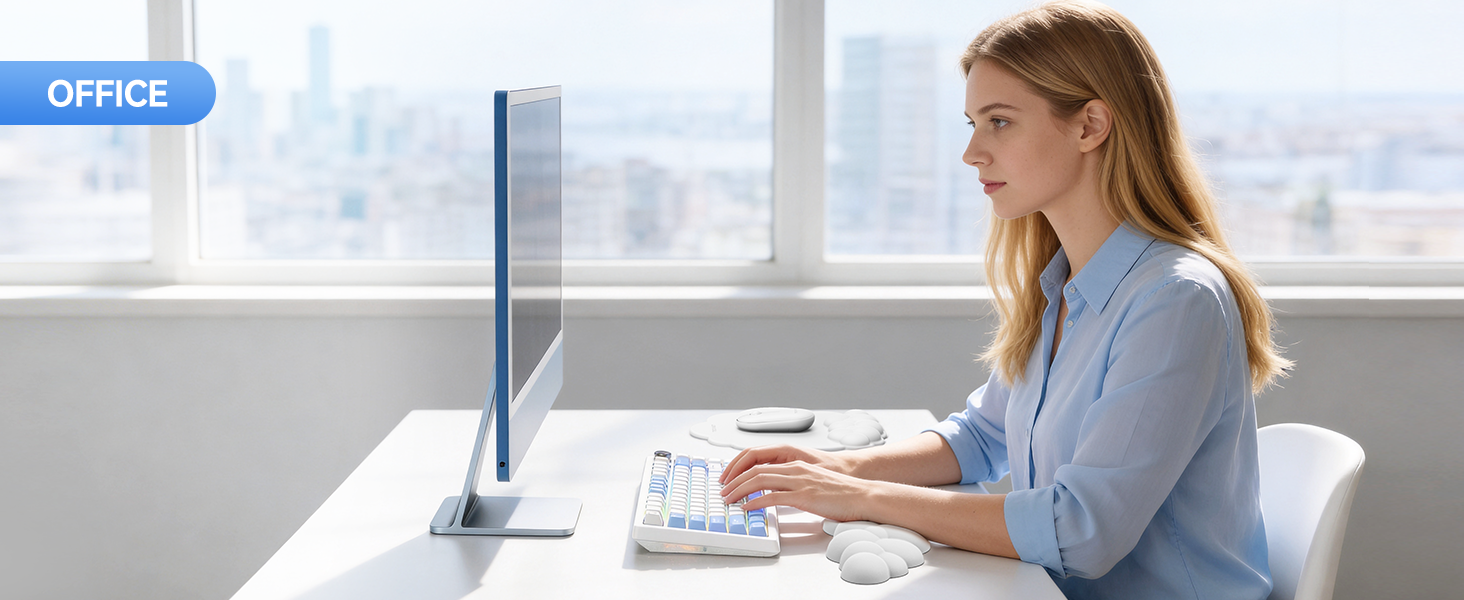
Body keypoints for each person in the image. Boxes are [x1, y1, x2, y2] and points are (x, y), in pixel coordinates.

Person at [717, 1, 1291, 598]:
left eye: (999, 122)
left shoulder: (1175, 300)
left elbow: (1081, 531)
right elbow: (983, 437)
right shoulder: (1064, 281)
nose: (972, 153)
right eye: (972, 124)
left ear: (1090, 125)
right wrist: (835, 470)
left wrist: (862, 498)